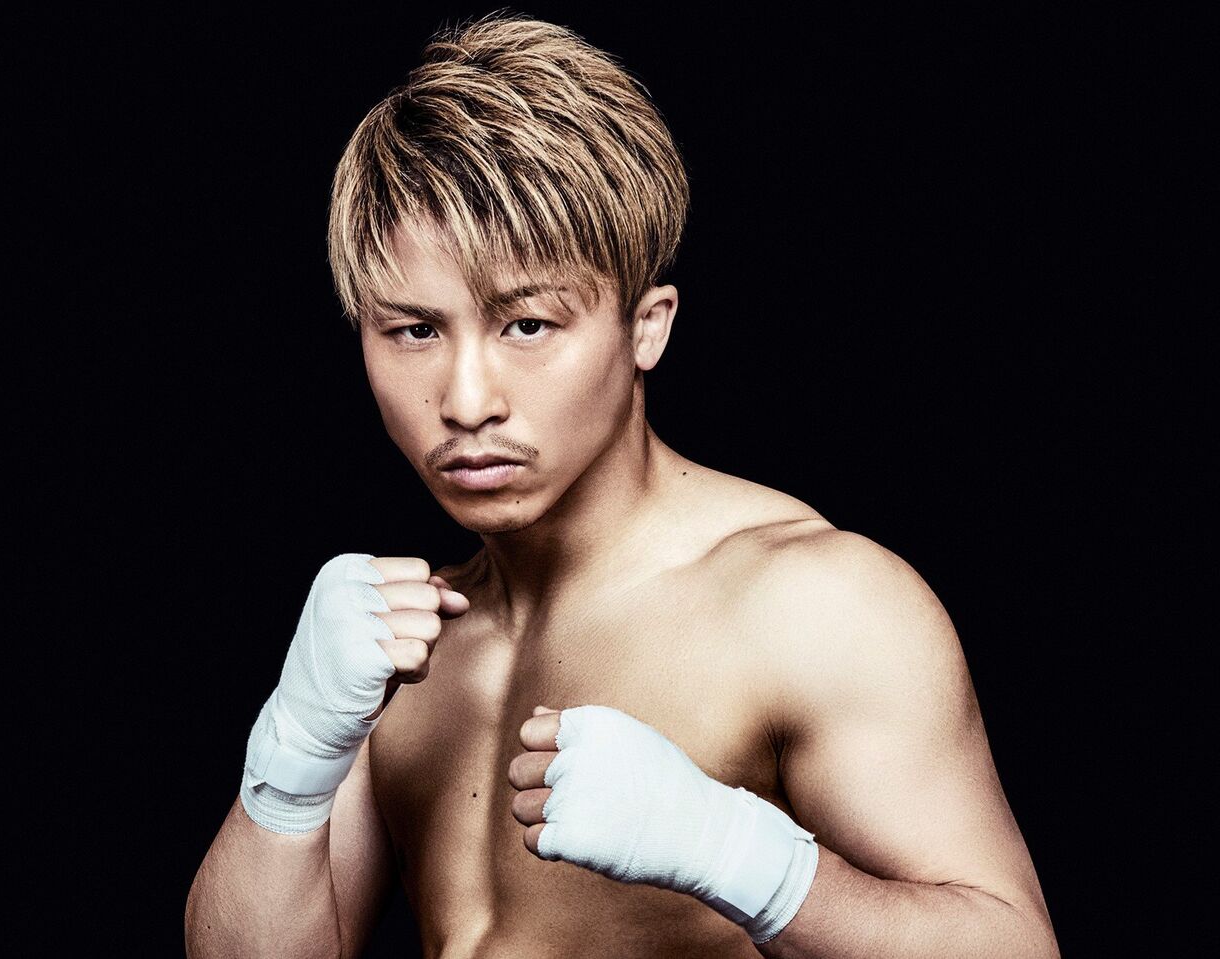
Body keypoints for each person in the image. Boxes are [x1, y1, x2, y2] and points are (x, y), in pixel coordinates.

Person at [185, 11, 1060, 958]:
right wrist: (294, 749)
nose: (467, 401)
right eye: (415, 331)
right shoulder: (394, 652)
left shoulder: (812, 604)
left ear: (648, 326)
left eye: (527, 325)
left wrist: (746, 857)